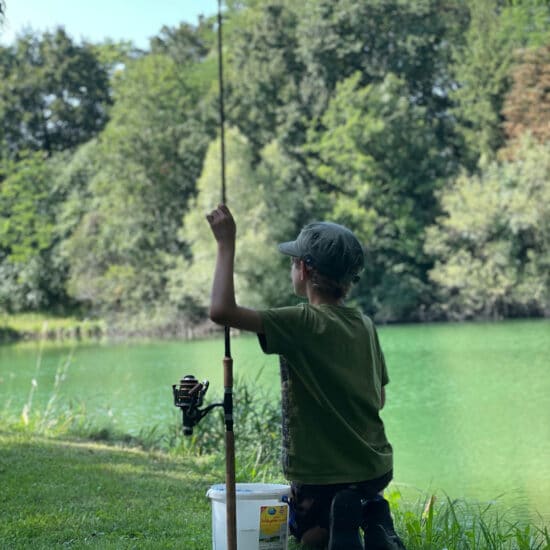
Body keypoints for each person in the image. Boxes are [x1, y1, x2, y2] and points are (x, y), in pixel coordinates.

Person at [206, 204, 405, 550]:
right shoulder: (365, 325)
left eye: (292, 260)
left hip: (321, 475)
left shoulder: (302, 322)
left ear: (303, 268)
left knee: (311, 535)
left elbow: (221, 311)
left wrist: (226, 244)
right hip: (374, 467)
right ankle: (371, 517)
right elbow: (380, 397)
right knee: (347, 502)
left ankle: (333, 532)